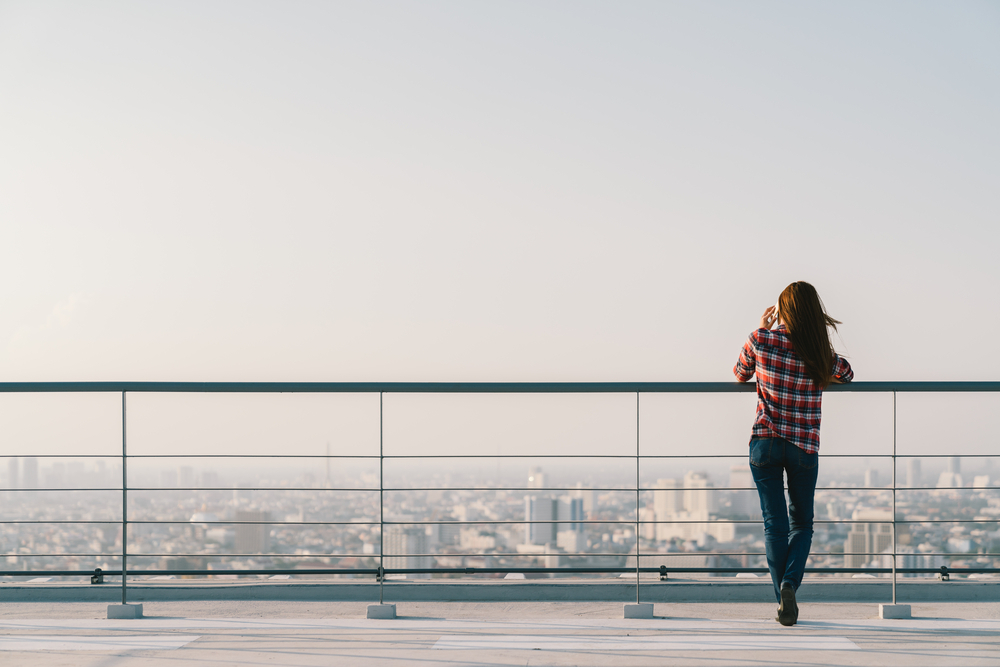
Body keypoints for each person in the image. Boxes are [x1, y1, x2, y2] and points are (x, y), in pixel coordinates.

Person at [733, 281, 853, 626]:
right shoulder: (818, 352)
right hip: (803, 446)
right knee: (801, 524)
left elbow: (740, 373)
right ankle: (789, 585)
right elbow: (847, 373)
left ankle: (781, 599)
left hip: (766, 441)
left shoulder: (761, 339)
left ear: (781, 311)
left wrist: (762, 328)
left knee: (775, 524)